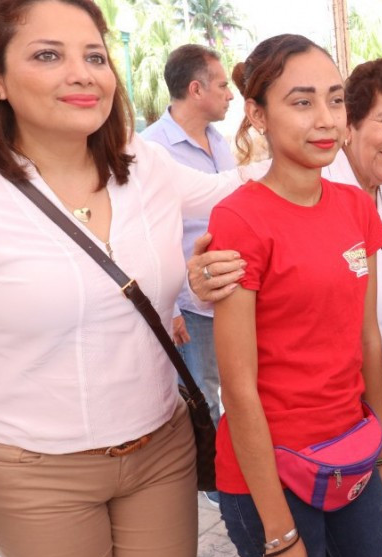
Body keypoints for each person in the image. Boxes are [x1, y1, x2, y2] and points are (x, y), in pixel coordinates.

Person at [0, 0, 255, 557]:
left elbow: (240, 188)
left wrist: (335, 143)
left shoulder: (142, 166)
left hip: (160, 448)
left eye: (94, 56)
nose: (83, 73)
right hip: (32, 471)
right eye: (47, 55)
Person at [206, 34, 382, 557]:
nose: (326, 120)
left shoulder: (355, 206)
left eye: (335, 99)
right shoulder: (240, 218)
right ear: (257, 113)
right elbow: (238, 387)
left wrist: (381, 453)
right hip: (270, 473)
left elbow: (368, 341)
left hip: (350, 457)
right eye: (302, 102)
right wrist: (278, 533)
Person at [141, 44, 234, 506]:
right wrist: (173, 306)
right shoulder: (151, 150)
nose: (231, 94)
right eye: (223, 85)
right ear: (196, 89)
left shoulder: (221, 140)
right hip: (191, 303)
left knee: (237, 387)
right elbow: (151, 237)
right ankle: (215, 482)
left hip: (231, 291)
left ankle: (234, 469)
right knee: (203, 393)